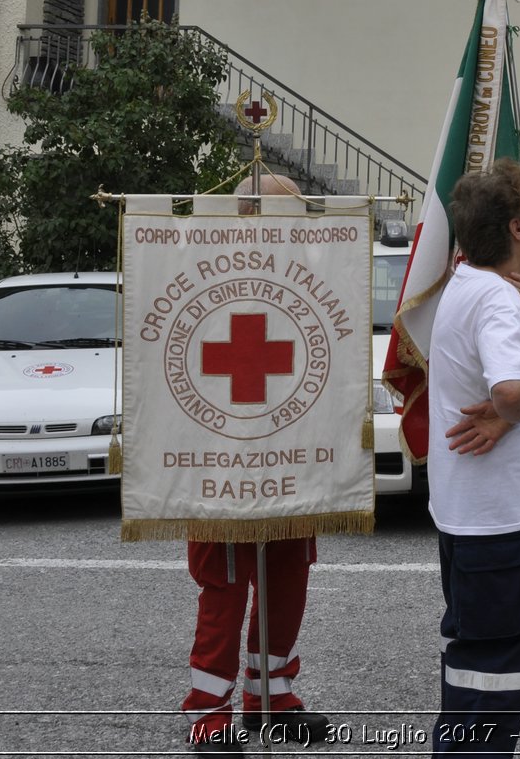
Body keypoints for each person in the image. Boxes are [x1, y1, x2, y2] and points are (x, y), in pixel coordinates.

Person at [182, 174, 330, 755]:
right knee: (224, 587)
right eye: (283, 211)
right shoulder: (199, 270)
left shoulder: (309, 276)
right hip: (221, 461)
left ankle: (272, 700)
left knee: (289, 578)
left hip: (289, 458)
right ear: (247, 211)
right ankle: (209, 717)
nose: (295, 223)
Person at [427, 158, 520, 755]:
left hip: (474, 513)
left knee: (474, 657)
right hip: (501, 520)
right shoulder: (497, 301)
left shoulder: (471, 284)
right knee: (497, 667)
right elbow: (513, 389)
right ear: (513, 228)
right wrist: (509, 413)